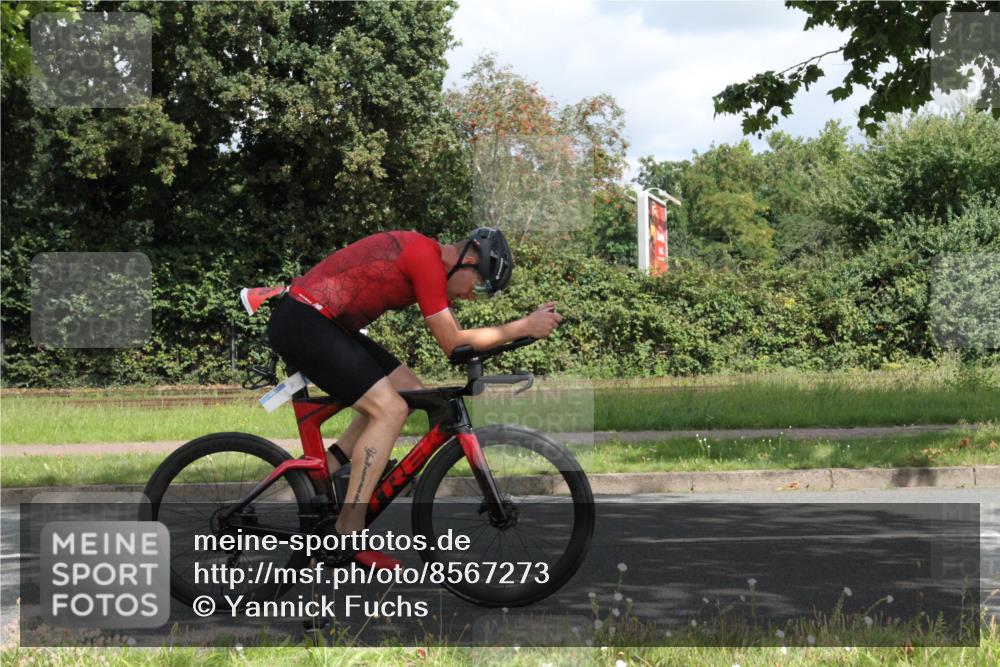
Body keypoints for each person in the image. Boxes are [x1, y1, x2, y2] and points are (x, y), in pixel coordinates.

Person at [265, 227, 562, 556]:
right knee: (390, 409)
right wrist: (522, 327)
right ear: (470, 259)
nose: (472, 296)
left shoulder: (430, 261)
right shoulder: (425, 258)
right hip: (305, 321)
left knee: (410, 391)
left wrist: (513, 336)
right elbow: (453, 343)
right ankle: (347, 530)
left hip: (327, 324)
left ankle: (329, 469)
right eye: (480, 285)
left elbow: (459, 345)